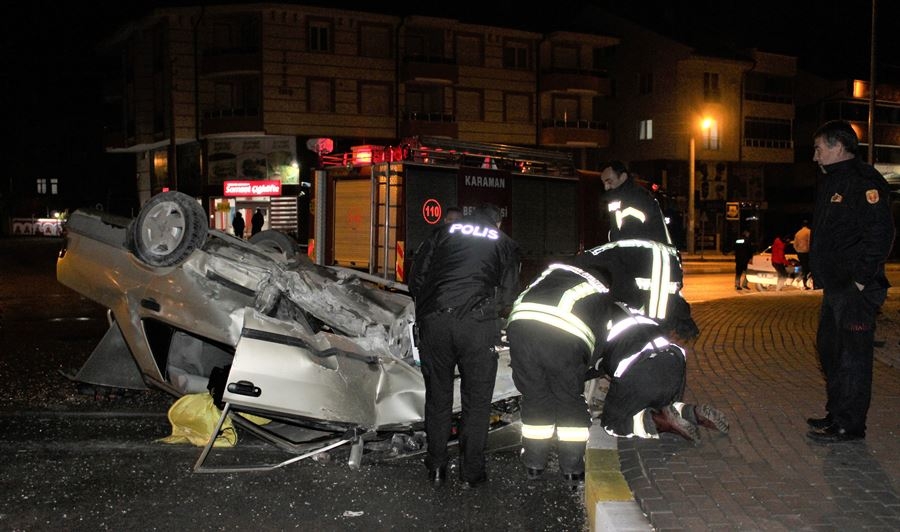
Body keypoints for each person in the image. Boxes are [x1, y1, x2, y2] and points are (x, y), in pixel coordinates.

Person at [506, 260, 727, 489]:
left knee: (535, 398)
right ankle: (572, 470)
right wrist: (580, 371)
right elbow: (597, 344)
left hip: (520, 327)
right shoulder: (603, 295)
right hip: (667, 360)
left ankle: (533, 465)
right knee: (570, 403)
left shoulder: (553, 273)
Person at [408, 203, 521, 487]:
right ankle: (471, 474)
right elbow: (508, 295)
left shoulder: (443, 232)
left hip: (435, 324)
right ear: (498, 223)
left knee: (438, 397)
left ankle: (436, 467)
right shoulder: (504, 243)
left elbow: (416, 278)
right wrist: (485, 312)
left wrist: (429, 311)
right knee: (477, 401)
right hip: (477, 327)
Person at [806, 120, 895, 443]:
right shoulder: (832, 181)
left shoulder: (863, 181)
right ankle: (836, 414)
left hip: (856, 290)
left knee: (853, 358)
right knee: (830, 350)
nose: (815, 156)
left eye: (819, 148)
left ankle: (850, 424)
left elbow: (881, 233)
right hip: (835, 287)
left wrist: (860, 279)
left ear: (838, 147)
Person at [599, 161, 672, 244]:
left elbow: (632, 237)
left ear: (623, 177)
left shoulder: (637, 198)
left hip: (644, 254)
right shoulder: (620, 198)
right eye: (603, 183)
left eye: (609, 182)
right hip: (638, 252)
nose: (606, 187)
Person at [794, 220, 812, 289]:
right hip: (807, 253)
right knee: (808, 269)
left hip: (800, 253)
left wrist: (798, 251)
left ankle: (804, 283)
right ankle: (808, 283)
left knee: (804, 268)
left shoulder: (798, 233)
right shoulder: (809, 232)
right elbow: (811, 242)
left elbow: (795, 245)